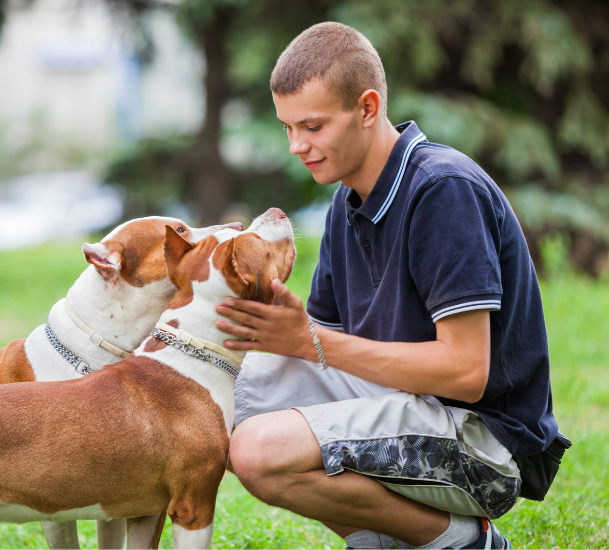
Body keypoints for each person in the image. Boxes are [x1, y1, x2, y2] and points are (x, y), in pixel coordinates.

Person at [216, 22, 558, 549]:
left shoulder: (443, 190)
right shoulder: (345, 202)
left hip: (485, 446)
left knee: (259, 450)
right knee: (218, 400)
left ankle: (467, 543)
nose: (296, 146)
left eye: (312, 126)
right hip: (402, 404)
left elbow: (467, 373)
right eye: (287, 128)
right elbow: (322, 353)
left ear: (368, 108)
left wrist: (306, 340)